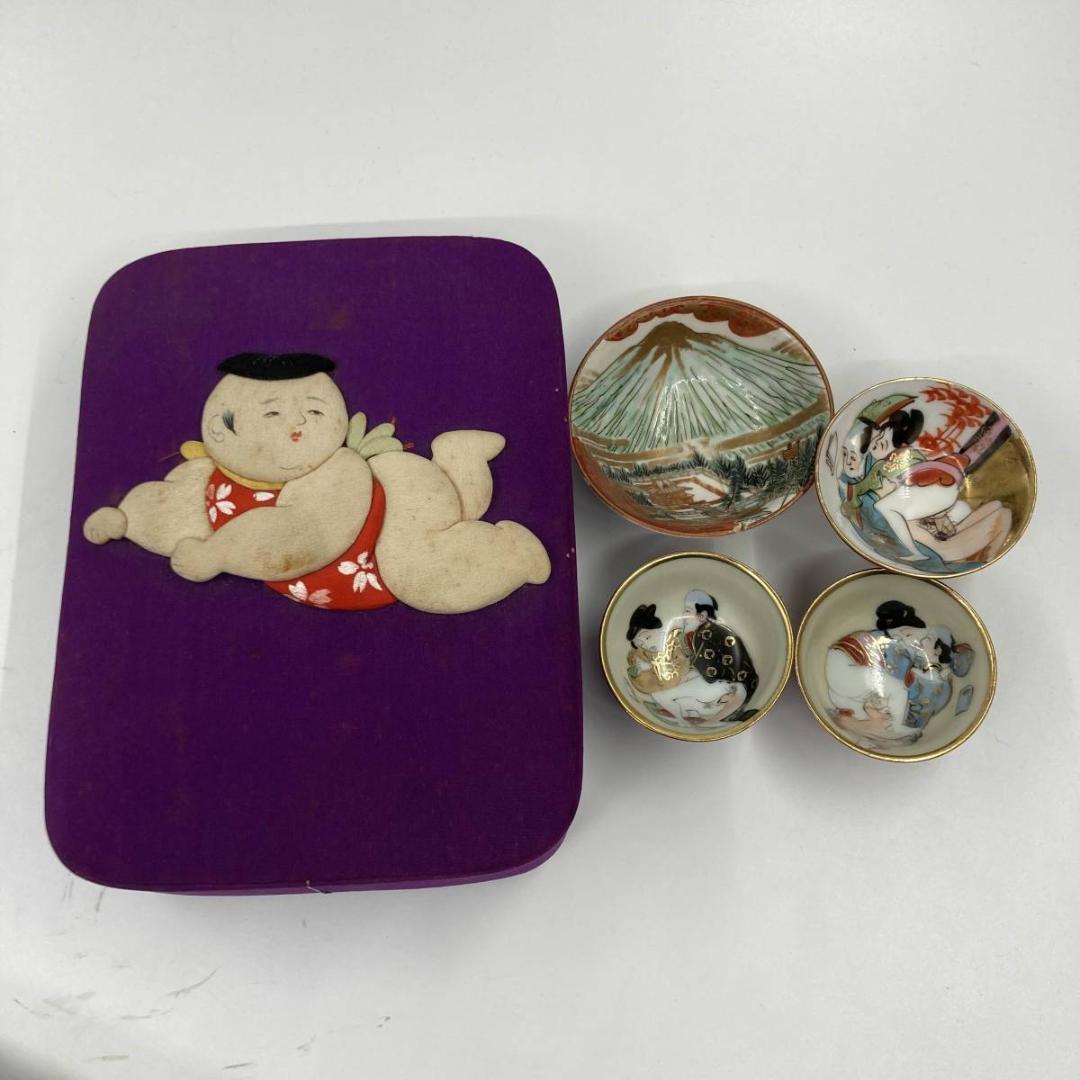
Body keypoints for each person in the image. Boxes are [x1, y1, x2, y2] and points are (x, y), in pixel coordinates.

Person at [826, 599, 973, 749]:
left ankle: (873, 733)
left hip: (842, 690)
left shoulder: (921, 663)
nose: (903, 637)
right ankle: (896, 726)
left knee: (879, 702)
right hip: (845, 666)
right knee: (897, 689)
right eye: (925, 639)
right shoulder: (905, 643)